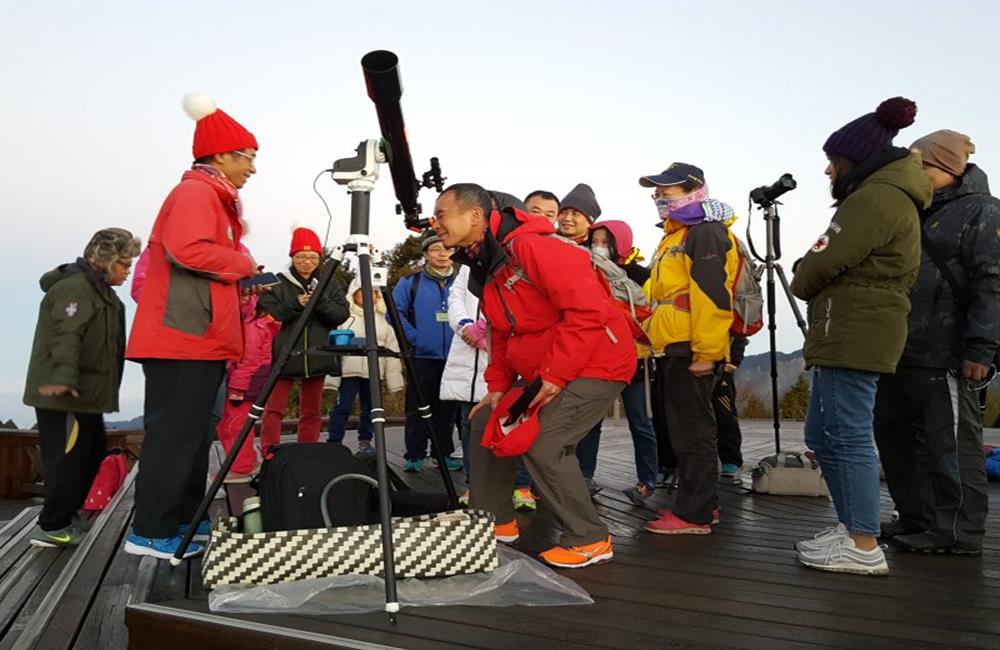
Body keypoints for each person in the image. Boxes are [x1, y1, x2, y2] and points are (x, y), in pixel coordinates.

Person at [436, 183, 635, 569]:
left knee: (544, 441)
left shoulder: (534, 247)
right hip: (546, 367)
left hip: (598, 362)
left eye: (442, 213)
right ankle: (493, 521)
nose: (435, 222)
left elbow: (588, 313)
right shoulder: (488, 262)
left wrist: (556, 375)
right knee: (485, 422)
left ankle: (590, 538)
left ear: (475, 216)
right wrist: (497, 387)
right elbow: (501, 331)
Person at [790, 96, 931, 576]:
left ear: (855, 160)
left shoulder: (875, 198)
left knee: (846, 436)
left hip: (856, 328)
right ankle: (852, 525)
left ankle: (864, 543)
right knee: (822, 433)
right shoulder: (888, 194)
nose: (829, 171)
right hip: (853, 326)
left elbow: (822, 261)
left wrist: (803, 273)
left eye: (834, 161)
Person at [125, 94, 259, 560]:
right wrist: (243, 263)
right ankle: (151, 530)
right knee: (172, 437)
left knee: (194, 437)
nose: (252, 168)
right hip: (180, 337)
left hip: (200, 339)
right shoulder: (196, 193)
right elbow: (187, 249)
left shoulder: (214, 199)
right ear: (221, 155)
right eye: (248, 157)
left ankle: (183, 521)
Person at [874, 129, 999, 556]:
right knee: (895, 438)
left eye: (919, 164)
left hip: (946, 351)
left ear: (946, 167)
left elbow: (992, 283)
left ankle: (960, 533)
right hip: (898, 349)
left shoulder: (983, 212)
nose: (912, 171)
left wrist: (980, 348)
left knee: (953, 445)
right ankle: (917, 518)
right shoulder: (914, 210)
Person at [639, 162, 740, 535]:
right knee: (685, 430)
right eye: (658, 191)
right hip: (672, 344)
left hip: (691, 347)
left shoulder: (705, 232)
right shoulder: (674, 236)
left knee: (694, 432)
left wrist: (708, 352)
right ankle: (702, 506)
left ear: (694, 190)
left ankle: (694, 515)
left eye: (668, 190)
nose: (660, 196)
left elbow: (713, 293)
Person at [23, 228, 141, 547]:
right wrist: (62, 377)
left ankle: (66, 514)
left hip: (87, 395)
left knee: (90, 456)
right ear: (105, 260)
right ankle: (52, 525)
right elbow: (66, 334)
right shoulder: (76, 289)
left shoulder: (103, 293)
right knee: (68, 459)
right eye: (124, 264)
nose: (128, 271)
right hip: (63, 395)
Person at [586, 220, 659, 505]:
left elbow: (650, 313)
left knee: (640, 421)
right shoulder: (588, 270)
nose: (599, 246)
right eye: (596, 240)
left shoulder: (642, 275)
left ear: (621, 242)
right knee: (591, 422)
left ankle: (647, 480)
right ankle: (584, 476)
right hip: (599, 357)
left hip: (636, 357)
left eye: (606, 241)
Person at [258, 228, 349, 454]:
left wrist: (319, 302)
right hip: (284, 355)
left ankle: (307, 451)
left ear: (320, 258)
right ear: (292, 257)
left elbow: (341, 315)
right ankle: (269, 451)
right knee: (274, 409)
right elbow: (270, 313)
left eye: (312, 257)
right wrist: (297, 303)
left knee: (312, 410)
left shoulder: (330, 284)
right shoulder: (275, 283)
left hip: (317, 355)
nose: (306, 262)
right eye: (300, 256)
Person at [392, 235, 461, 472]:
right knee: (418, 405)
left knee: (447, 409)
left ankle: (443, 453)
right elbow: (394, 313)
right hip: (421, 356)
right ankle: (414, 453)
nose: (442, 253)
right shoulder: (410, 282)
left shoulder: (463, 280)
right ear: (426, 254)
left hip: (455, 356)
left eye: (447, 249)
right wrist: (415, 338)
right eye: (435, 249)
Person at [553, 184, 606, 489]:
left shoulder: (599, 251)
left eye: (577, 213)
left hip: (591, 344)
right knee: (553, 414)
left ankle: (583, 476)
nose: (568, 218)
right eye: (565, 211)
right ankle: (551, 474)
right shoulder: (547, 244)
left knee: (589, 417)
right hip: (556, 341)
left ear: (591, 220)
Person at [327, 275, 404, 451]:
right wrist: (332, 373)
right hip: (349, 371)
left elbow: (392, 350)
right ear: (353, 295)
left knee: (371, 409)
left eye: (373, 293)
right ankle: (334, 442)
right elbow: (333, 345)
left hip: (374, 371)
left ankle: (365, 441)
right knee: (342, 407)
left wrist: (394, 381)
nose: (368, 296)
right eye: (363, 293)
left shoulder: (384, 321)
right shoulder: (344, 318)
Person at [215, 298, 280, 483]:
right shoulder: (256, 324)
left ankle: (242, 467)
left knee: (235, 424)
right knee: (233, 422)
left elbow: (249, 361)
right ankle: (242, 462)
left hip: (245, 384)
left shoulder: (252, 326)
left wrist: (237, 388)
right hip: (249, 381)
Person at [716, 336, 747, 482]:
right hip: (691, 359)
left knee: (724, 413)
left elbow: (741, 328)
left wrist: (735, 359)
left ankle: (731, 460)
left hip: (722, 364)